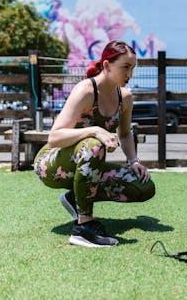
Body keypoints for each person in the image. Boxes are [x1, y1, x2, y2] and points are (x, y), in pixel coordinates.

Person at [34, 40, 155, 248]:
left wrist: (134, 161)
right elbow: (54, 137)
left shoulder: (125, 98)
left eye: (132, 68)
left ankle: (75, 199)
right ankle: (83, 228)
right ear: (107, 66)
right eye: (125, 67)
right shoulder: (86, 91)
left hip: (89, 165)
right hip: (52, 164)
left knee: (144, 186)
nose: (130, 74)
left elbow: (125, 134)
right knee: (93, 144)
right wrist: (95, 130)